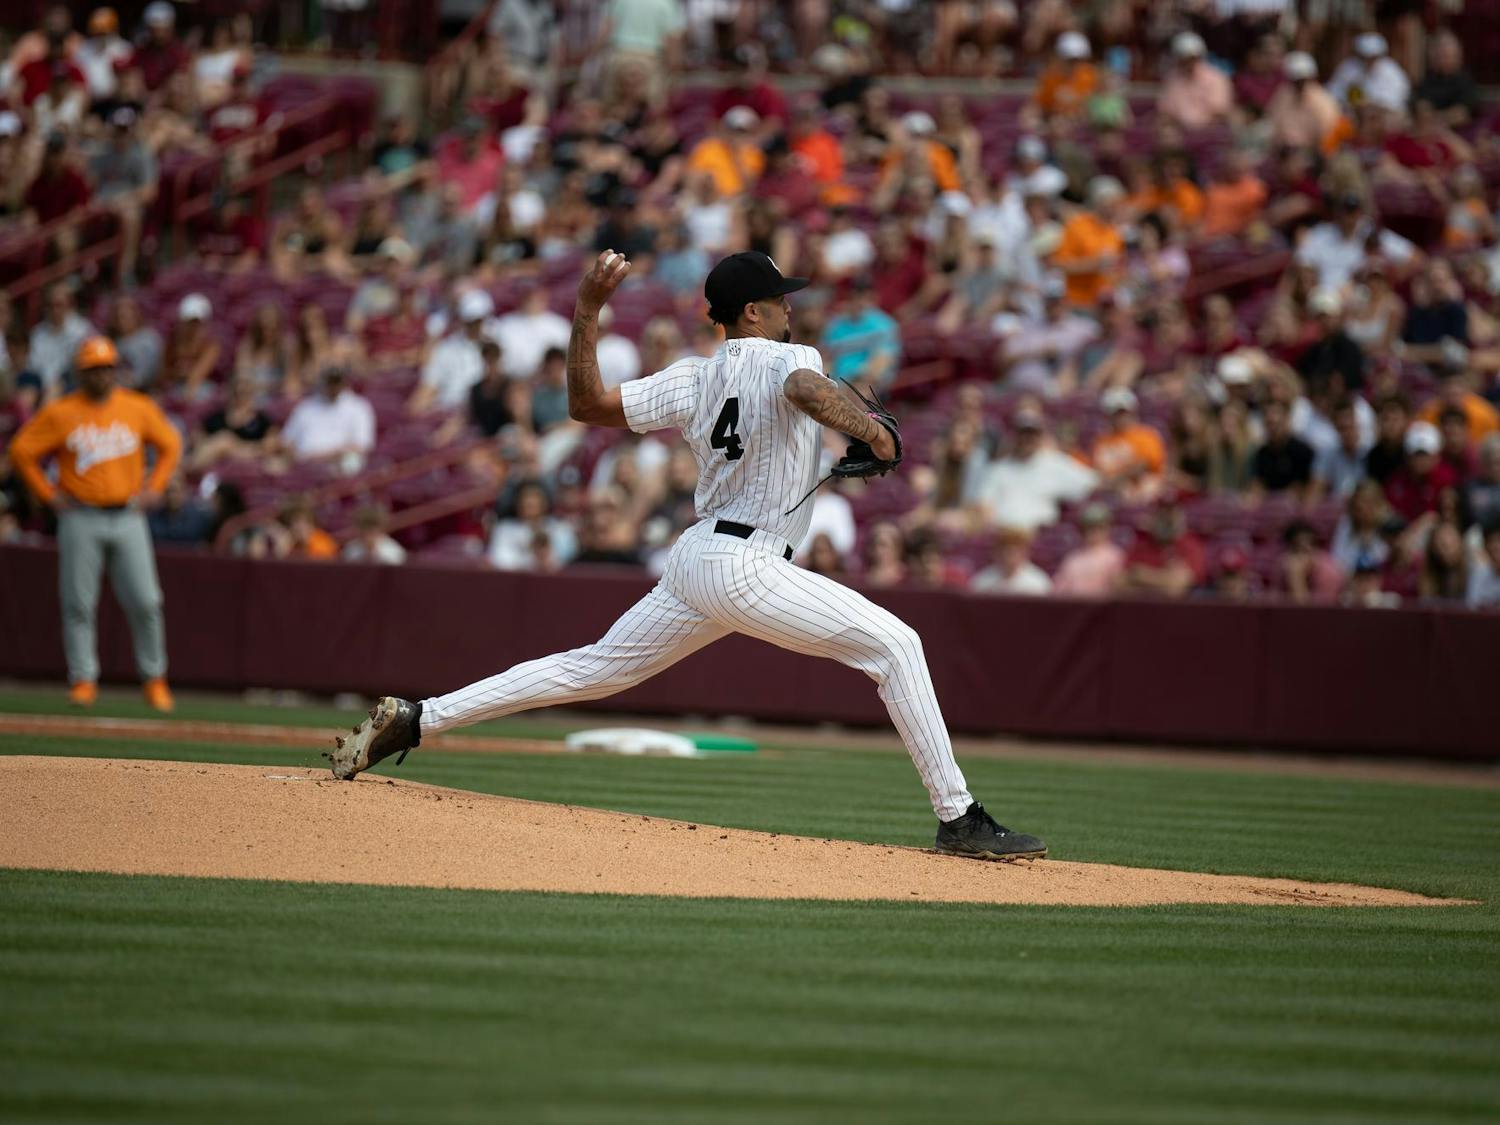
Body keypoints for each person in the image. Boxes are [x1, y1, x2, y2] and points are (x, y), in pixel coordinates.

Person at [330, 249, 1046, 862]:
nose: (788, 311)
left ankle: (420, 717)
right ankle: (959, 817)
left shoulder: (693, 376)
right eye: (776, 300)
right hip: (748, 564)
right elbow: (800, 386)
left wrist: (587, 312)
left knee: (588, 667)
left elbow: (586, 404)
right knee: (898, 645)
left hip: (697, 560)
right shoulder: (791, 357)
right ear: (752, 314)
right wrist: (875, 433)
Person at [8, 336, 180, 711]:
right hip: (80, 515)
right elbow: (21, 451)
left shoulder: (137, 407)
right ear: (80, 373)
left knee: (147, 601)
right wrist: (48, 493)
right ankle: (83, 679)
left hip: (128, 514)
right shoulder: (62, 411)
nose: (100, 375)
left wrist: (156, 487)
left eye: (105, 368)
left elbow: (170, 444)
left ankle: (154, 680)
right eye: (92, 369)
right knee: (78, 604)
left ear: (115, 369)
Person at [974, 405, 1097, 531]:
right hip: (1005, 535)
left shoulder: (1055, 463)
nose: (1027, 439)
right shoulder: (998, 468)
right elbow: (984, 504)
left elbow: (1092, 482)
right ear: (1015, 435)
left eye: (1032, 434)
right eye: (1023, 433)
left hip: (1041, 535)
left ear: (1040, 435)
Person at [1052, 502, 1125, 596]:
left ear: (1108, 528)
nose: (1094, 532)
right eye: (1089, 527)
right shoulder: (1072, 558)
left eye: (1099, 527)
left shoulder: (1115, 555)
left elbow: (1118, 590)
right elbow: (1059, 591)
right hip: (1074, 607)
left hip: (1103, 608)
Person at [971, 526, 1052, 595]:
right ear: (996, 553)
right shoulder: (982, 581)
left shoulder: (1038, 582)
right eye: (1003, 551)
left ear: (1025, 553)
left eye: (1014, 551)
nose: (1007, 556)